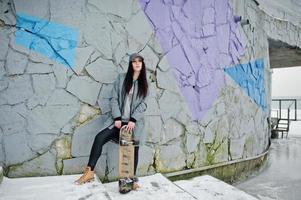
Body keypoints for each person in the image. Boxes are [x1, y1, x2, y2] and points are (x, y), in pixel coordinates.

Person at [74, 53, 149, 189]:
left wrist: (133, 120)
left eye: (140, 61)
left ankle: (132, 180)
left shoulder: (144, 83)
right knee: (99, 137)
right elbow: (114, 98)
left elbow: (143, 104)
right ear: (130, 64)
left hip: (133, 125)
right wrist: (117, 117)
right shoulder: (121, 79)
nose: (137, 64)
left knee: (133, 149)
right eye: (134, 61)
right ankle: (89, 172)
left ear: (142, 64)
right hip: (118, 122)